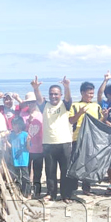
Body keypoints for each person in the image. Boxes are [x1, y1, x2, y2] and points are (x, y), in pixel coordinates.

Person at [32, 75, 73, 203]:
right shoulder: (45, 106)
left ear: (60, 95)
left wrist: (67, 86)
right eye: (51, 94)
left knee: (65, 171)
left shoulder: (64, 105)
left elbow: (68, 97)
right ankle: (51, 194)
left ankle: (66, 195)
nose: (54, 96)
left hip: (64, 142)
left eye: (56, 94)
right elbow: (38, 99)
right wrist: (36, 88)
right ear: (49, 95)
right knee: (50, 171)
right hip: (48, 143)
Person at [68, 81, 102, 195]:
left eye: (92, 93)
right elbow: (71, 120)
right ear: (82, 93)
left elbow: (99, 122)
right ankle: (72, 187)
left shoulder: (96, 106)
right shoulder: (75, 105)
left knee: (89, 163)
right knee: (75, 162)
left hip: (92, 139)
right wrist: (80, 113)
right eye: (88, 93)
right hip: (77, 137)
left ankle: (86, 188)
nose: (91, 96)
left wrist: (105, 116)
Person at [20, 92, 44, 197]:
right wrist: (28, 122)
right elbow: (20, 130)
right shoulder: (22, 115)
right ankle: (27, 192)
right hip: (27, 148)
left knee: (38, 172)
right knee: (26, 171)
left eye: (33, 102)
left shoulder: (41, 114)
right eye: (29, 103)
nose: (31, 105)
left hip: (39, 147)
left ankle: (37, 192)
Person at [6, 117, 31, 197]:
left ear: (20, 125)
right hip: (15, 160)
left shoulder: (25, 134)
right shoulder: (12, 135)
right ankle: (19, 193)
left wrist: (28, 141)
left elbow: (28, 148)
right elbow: (11, 147)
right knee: (16, 177)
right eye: (13, 125)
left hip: (23, 160)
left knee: (25, 177)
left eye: (16, 125)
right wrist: (5, 141)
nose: (14, 127)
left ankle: (28, 193)